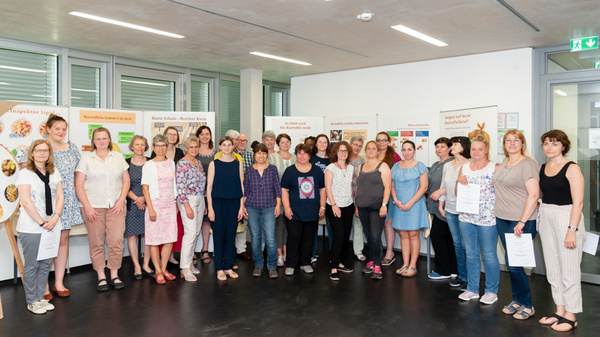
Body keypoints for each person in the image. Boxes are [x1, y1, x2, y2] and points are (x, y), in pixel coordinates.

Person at [537, 130, 585, 332]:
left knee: (570, 268)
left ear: (563, 146)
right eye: (546, 143)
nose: (549, 147)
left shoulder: (571, 168)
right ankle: (560, 310)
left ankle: (571, 315)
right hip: (546, 215)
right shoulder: (542, 168)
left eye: (554, 144)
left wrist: (571, 230)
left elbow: (579, 202)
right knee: (553, 268)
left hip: (567, 217)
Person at [492, 130, 539, 319]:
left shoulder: (528, 164)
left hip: (520, 220)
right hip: (502, 218)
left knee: (515, 264)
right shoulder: (504, 163)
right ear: (504, 144)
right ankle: (517, 300)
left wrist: (522, 221)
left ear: (522, 144)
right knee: (512, 263)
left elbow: (534, 195)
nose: (512, 143)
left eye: (516, 140)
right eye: (508, 140)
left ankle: (527, 304)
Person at [75, 127, 130, 291]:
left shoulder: (118, 157)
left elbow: (126, 181)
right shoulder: (86, 159)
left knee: (116, 241)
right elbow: (79, 185)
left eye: (104, 138)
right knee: (96, 242)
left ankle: (114, 273)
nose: (101, 141)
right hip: (93, 207)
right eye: (98, 139)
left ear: (109, 140)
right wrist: (87, 206)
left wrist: (121, 200)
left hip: (116, 206)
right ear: (93, 141)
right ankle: (101, 275)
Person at [17, 139, 64, 314]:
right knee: (32, 265)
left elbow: (60, 196)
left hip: (52, 224)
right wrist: (41, 222)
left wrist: (56, 217)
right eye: (38, 150)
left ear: (49, 153)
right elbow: (26, 202)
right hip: (32, 226)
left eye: (45, 150)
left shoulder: (54, 172)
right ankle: (32, 300)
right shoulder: (25, 173)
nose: (42, 153)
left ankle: (40, 298)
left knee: (45, 263)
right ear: (32, 153)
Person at [43, 114, 83, 298]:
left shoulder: (72, 147)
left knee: (62, 241)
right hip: (46, 203)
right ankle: (42, 285)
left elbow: (79, 174)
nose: (61, 132)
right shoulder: (40, 148)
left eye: (63, 129)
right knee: (45, 243)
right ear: (48, 129)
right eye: (57, 128)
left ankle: (58, 283)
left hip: (68, 202)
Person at [456, 137, 499, 304]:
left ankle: (491, 291)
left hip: (488, 218)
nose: (476, 152)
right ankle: (472, 288)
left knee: (489, 255)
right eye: (473, 149)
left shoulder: (494, 167)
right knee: (471, 254)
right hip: (467, 217)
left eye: (480, 149)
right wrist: (460, 182)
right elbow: (457, 192)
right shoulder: (464, 167)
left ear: (486, 149)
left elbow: (502, 191)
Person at [281, 143, 326, 276]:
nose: (302, 156)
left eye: (305, 153)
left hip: (312, 212)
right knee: (294, 238)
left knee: (308, 238)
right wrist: (287, 207)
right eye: (299, 153)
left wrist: (322, 206)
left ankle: (305, 262)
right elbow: (284, 190)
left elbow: (322, 189)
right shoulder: (290, 171)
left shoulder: (317, 171)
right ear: (296, 155)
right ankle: (291, 264)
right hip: (294, 212)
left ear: (309, 155)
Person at [142, 134, 179, 285]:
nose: (160, 148)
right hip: (155, 205)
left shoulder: (171, 163)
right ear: (153, 148)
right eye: (157, 146)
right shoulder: (149, 165)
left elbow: (174, 184)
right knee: (154, 240)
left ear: (166, 147)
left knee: (169, 239)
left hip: (170, 204)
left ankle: (164, 269)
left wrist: (175, 202)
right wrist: (150, 208)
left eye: (163, 145)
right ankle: (157, 270)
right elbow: (145, 188)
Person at [206, 136, 244, 280]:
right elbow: (209, 188)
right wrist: (210, 208)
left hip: (234, 203)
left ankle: (228, 266)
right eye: (224, 145)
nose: (227, 147)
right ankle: (219, 268)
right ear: (220, 147)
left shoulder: (237, 164)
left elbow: (241, 185)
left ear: (233, 147)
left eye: (229, 145)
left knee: (230, 236)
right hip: (218, 203)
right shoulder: (213, 164)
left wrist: (241, 206)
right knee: (218, 236)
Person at [390, 141, 429, 277]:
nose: (407, 152)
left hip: (415, 205)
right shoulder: (395, 166)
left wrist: (410, 203)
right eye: (404, 150)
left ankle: (413, 265)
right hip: (399, 205)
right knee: (403, 235)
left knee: (413, 235)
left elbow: (423, 187)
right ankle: (405, 264)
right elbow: (392, 186)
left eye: (409, 149)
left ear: (414, 151)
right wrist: (395, 200)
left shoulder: (420, 166)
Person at [243, 143, 282, 278]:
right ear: (254, 154)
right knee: (255, 238)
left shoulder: (272, 169)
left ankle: (272, 266)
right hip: (252, 207)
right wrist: (242, 206)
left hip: (269, 207)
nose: (261, 155)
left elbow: (277, 188)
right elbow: (246, 190)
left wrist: (278, 205)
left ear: (267, 155)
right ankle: (258, 265)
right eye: (258, 152)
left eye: (264, 152)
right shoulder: (249, 170)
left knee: (270, 238)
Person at [437, 136, 471, 290]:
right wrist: (440, 204)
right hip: (450, 209)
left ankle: (471, 277)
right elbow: (444, 186)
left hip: (466, 210)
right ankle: (461, 275)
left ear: (464, 146)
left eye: (456, 144)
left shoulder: (472, 164)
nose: (452, 146)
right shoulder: (448, 165)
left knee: (466, 245)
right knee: (457, 244)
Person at [355, 141, 392, 279]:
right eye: (368, 148)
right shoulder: (360, 167)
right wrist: (357, 206)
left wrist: (384, 205)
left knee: (376, 236)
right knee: (369, 236)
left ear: (377, 151)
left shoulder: (383, 166)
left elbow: (387, 187)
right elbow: (358, 187)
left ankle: (377, 265)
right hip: (363, 206)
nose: (371, 151)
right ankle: (372, 260)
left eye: (373, 148)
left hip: (377, 207)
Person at [151, 127, 184, 266]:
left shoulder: (180, 152)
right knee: (159, 231)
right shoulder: (154, 155)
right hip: (159, 199)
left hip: (174, 196)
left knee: (173, 230)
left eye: (174, 134)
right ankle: (159, 260)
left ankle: (170, 256)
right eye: (169, 134)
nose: (172, 136)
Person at [176, 136, 207, 282]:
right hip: (188, 200)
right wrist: (186, 207)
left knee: (195, 233)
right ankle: (185, 268)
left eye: (196, 146)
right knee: (189, 234)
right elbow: (180, 188)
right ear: (186, 149)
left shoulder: (199, 163)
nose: (194, 149)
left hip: (200, 199)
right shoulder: (182, 164)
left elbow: (202, 186)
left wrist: (204, 204)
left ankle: (189, 263)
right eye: (191, 147)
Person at [325, 141, 355, 281]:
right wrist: (334, 205)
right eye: (340, 150)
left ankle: (340, 262)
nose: (343, 153)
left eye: (345, 151)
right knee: (338, 236)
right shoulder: (330, 168)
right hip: (334, 206)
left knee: (345, 236)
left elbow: (350, 186)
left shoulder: (350, 168)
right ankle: (333, 266)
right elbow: (328, 188)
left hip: (348, 205)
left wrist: (353, 203)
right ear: (335, 152)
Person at [426, 137, 456, 280]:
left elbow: (450, 184)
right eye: (437, 147)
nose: (439, 149)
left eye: (442, 147)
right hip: (434, 205)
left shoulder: (451, 163)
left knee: (438, 236)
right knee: (448, 238)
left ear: (450, 148)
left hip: (445, 205)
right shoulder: (435, 164)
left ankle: (443, 270)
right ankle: (452, 269)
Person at [125, 135, 153, 280]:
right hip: (132, 203)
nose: (140, 147)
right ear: (132, 147)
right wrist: (137, 199)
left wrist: (144, 199)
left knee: (149, 235)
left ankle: (146, 264)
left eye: (143, 144)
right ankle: (136, 265)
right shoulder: (126, 163)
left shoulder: (151, 162)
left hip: (149, 202)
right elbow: (123, 185)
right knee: (132, 236)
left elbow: (155, 183)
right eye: (137, 144)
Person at [268, 133, 297, 267]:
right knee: (279, 226)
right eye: (283, 142)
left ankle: (287, 252)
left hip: (294, 199)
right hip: (277, 198)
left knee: (290, 227)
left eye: (287, 142)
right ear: (278, 144)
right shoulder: (272, 157)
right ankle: (279, 254)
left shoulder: (296, 158)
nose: (285, 144)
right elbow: (271, 179)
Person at [376, 131, 401, 266]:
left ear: (389, 142)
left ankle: (389, 253)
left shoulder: (394, 156)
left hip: (389, 194)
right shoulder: (373, 153)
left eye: (384, 140)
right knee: (376, 223)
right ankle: (376, 253)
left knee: (387, 223)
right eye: (379, 140)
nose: (381, 143)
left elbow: (398, 173)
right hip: (374, 194)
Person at [196, 125, 216, 264]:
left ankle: (204, 250)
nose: (204, 136)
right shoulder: (194, 151)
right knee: (194, 223)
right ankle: (191, 252)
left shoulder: (216, 153)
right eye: (202, 134)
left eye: (207, 134)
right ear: (198, 136)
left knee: (206, 222)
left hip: (212, 192)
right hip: (196, 193)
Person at [229, 129, 251, 260]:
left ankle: (241, 249)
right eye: (239, 140)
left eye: (244, 140)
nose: (241, 142)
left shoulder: (251, 155)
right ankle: (229, 249)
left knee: (243, 223)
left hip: (247, 192)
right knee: (231, 221)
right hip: (232, 191)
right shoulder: (229, 154)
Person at [310, 134, 332, 261]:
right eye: (320, 142)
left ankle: (333, 255)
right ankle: (312, 253)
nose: (322, 144)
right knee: (312, 227)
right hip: (313, 196)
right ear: (316, 144)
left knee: (332, 227)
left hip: (330, 197)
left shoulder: (332, 159)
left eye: (325, 142)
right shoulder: (311, 158)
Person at [349, 135, 366, 261]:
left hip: (358, 196)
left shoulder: (363, 161)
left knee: (358, 223)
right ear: (350, 144)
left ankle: (358, 250)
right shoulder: (343, 158)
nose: (357, 147)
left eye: (360, 146)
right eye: (355, 144)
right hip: (343, 196)